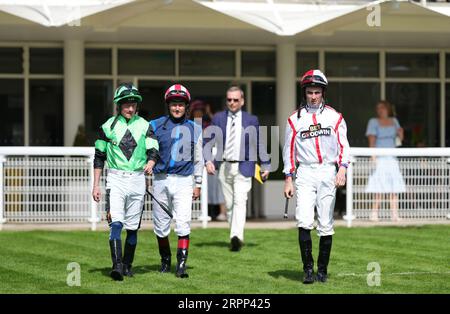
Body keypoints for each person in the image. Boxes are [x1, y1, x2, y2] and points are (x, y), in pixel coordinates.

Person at [283, 69, 350, 284]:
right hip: (305, 173)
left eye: (317, 92)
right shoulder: (294, 119)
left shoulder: (335, 117)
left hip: (327, 171)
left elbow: (343, 146)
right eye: (310, 92)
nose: (313, 96)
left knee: (325, 222)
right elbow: (289, 150)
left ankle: (322, 270)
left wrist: (342, 168)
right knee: (303, 219)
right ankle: (308, 270)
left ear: (323, 92)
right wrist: (288, 178)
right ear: (304, 93)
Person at [92, 83, 159, 281]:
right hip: (115, 179)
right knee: (116, 224)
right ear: (119, 105)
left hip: (138, 179)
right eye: (126, 104)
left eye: (133, 104)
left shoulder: (146, 125)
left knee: (132, 226)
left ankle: (128, 265)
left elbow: (153, 149)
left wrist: (151, 161)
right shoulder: (107, 126)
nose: (130, 108)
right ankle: (117, 266)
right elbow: (99, 156)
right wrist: (96, 184)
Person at [205, 86, 270, 252]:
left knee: (240, 201)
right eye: (229, 100)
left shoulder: (251, 119)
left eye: (235, 100)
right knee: (229, 204)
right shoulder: (218, 118)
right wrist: (208, 160)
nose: (232, 103)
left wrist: (266, 164)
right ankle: (235, 235)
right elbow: (208, 141)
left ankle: (236, 236)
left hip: (244, 166)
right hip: (224, 166)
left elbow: (259, 143)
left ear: (242, 101)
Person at [149, 84, 203, 278]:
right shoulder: (154, 125)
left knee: (183, 222)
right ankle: (165, 261)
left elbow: (199, 159)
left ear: (186, 106)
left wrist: (198, 184)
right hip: (161, 180)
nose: (177, 108)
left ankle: (181, 265)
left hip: (184, 181)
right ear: (168, 105)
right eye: (173, 104)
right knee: (161, 225)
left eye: (180, 104)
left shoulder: (195, 128)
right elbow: (148, 152)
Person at [365, 100, 406, 221]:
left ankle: (394, 214)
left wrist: (401, 133)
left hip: (392, 157)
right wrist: (373, 156)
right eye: (378, 108)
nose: (380, 110)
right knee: (379, 185)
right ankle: (374, 213)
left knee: (394, 186)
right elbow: (371, 139)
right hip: (380, 157)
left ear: (387, 108)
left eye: (382, 107)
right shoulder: (373, 122)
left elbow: (400, 140)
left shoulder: (394, 121)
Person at [189, 100, 227, 221]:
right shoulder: (190, 124)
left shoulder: (209, 124)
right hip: (193, 160)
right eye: (196, 111)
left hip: (210, 159)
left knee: (218, 186)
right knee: (195, 186)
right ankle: (198, 212)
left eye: (201, 111)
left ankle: (222, 212)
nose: (198, 114)